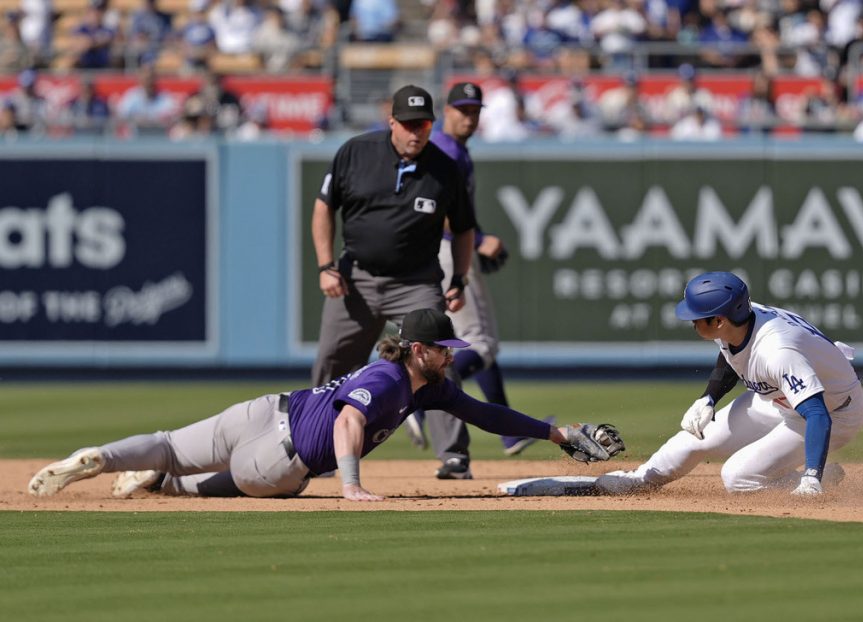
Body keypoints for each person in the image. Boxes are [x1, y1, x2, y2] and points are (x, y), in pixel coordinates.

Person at [28, 309, 624, 502]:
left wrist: (557, 433)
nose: (452, 356)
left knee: (167, 442)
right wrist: (352, 486)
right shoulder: (394, 379)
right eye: (444, 349)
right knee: (214, 484)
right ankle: (163, 484)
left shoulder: (429, 382)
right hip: (279, 462)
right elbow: (351, 419)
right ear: (419, 349)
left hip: (265, 410)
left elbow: (489, 416)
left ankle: (103, 458)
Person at [312, 84, 476, 479]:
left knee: (436, 358)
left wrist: (460, 277)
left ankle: (454, 455)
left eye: (422, 124)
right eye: (408, 124)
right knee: (332, 362)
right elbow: (324, 208)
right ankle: (315, 450)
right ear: (392, 122)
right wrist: (325, 265)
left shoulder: (444, 167)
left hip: (416, 281)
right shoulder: (356, 152)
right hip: (358, 278)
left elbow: (466, 228)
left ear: (431, 124)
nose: (415, 132)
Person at [596, 271, 863, 497]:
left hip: (834, 412)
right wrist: (709, 398)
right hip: (777, 399)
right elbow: (732, 353)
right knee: (692, 439)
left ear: (718, 320)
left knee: (738, 477)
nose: (691, 322)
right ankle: (640, 480)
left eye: (696, 317)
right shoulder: (736, 322)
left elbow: (817, 414)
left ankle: (809, 478)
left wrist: (812, 477)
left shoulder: (777, 352)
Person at [409, 81, 549, 462]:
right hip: (445, 250)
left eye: (475, 111)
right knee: (480, 342)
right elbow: (430, 208)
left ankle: (509, 434)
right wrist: (479, 239)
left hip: (447, 248)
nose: (469, 118)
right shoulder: (442, 150)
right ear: (446, 112)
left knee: (479, 337)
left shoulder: (455, 150)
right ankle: (415, 398)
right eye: (462, 110)